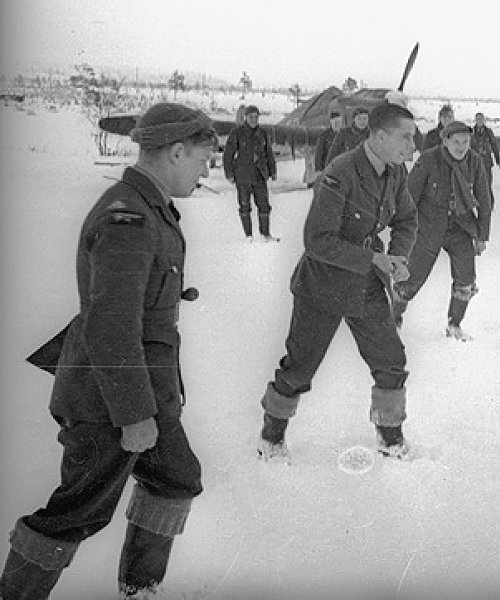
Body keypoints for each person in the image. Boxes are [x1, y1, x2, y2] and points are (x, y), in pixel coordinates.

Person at [0, 103, 215, 599]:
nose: (206, 171)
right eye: (203, 159)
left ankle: (140, 590)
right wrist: (134, 414)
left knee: (176, 478)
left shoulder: (148, 206)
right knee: (78, 509)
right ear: (176, 152)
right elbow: (111, 325)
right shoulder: (129, 217)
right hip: (109, 399)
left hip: (142, 391)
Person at [256, 102, 419, 463]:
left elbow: (407, 218)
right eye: (405, 137)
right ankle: (271, 436)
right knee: (300, 367)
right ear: (380, 136)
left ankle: (390, 437)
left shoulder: (395, 172)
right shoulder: (341, 171)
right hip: (322, 285)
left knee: (390, 360)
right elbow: (317, 240)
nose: (412, 145)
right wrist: (373, 258)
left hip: (365, 286)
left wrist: (398, 256)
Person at [391, 121, 492, 341]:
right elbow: (409, 197)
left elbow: (484, 200)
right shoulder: (429, 159)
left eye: (465, 142)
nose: (461, 147)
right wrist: (405, 230)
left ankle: (454, 324)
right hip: (429, 226)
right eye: (456, 142)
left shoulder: (474, 161)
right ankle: (393, 319)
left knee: (466, 278)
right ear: (445, 141)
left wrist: (481, 236)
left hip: (461, 226)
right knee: (412, 278)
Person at [223, 105, 279, 242]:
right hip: (242, 175)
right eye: (250, 117)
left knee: (264, 205)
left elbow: (268, 154)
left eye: (256, 117)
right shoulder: (237, 132)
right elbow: (228, 154)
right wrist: (229, 173)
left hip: (259, 175)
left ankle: (265, 234)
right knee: (244, 206)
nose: (253, 120)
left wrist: (272, 171)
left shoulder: (263, 133)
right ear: (245, 118)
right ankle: (248, 235)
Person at [471, 112, 500, 206]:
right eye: (477, 119)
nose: (479, 121)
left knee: (487, 185)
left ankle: (489, 205)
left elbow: (494, 145)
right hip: (474, 163)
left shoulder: (488, 132)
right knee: (476, 185)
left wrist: (498, 160)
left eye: (481, 119)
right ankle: (478, 205)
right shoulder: (471, 132)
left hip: (486, 163)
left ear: (484, 120)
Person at [311, 108, 343, 186]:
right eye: (335, 122)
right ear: (331, 122)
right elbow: (318, 154)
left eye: (339, 122)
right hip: (328, 169)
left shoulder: (345, 134)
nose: (337, 124)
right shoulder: (324, 136)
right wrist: (318, 171)